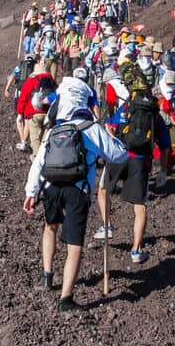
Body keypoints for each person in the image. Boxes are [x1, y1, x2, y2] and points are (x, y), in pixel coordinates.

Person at [23, 83, 129, 311]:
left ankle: (47, 276)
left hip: (51, 185)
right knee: (74, 244)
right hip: (78, 189)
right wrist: (112, 136)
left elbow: (39, 163)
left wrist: (31, 192)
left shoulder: (53, 130)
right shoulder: (91, 128)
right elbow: (118, 155)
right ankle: (65, 298)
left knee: (50, 227)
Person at [95, 64, 169, 263]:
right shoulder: (154, 112)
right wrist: (163, 170)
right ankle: (136, 250)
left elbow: (110, 127)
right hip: (141, 161)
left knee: (103, 190)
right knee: (140, 206)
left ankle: (108, 225)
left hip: (119, 156)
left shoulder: (127, 106)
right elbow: (164, 146)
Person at [16, 61, 57, 159]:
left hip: (34, 114)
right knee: (45, 140)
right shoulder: (52, 82)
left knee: (35, 140)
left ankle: (36, 160)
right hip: (49, 114)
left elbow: (23, 99)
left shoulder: (30, 81)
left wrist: (20, 114)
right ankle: (45, 158)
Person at [5, 54, 37, 152]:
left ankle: (23, 140)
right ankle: (25, 142)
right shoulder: (36, 66)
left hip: (19, 94)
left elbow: (12, 76)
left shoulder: (19, 66)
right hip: (31, 95)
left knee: (19, 118)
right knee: (27, 118)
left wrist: (7, 88)